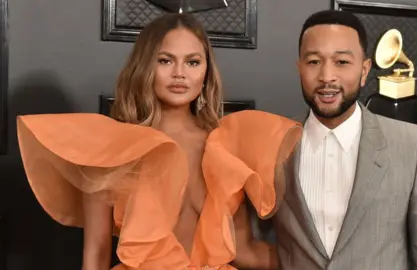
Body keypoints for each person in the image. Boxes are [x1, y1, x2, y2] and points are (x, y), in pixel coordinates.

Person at [16, 13, 301, 270]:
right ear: (145, 67)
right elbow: (97, 254)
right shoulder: (112, 149)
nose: (180, 73)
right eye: (165, 60)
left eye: (192, 62)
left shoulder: (227, 147)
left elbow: (245, 253)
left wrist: (327, 260)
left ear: (205, 73)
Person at [272, 10, 417, 269]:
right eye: (314, 62)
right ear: (299, 67)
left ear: (364, 69)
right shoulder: (271, 142)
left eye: (342, 62)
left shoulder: (413, 145)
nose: (327, 76)